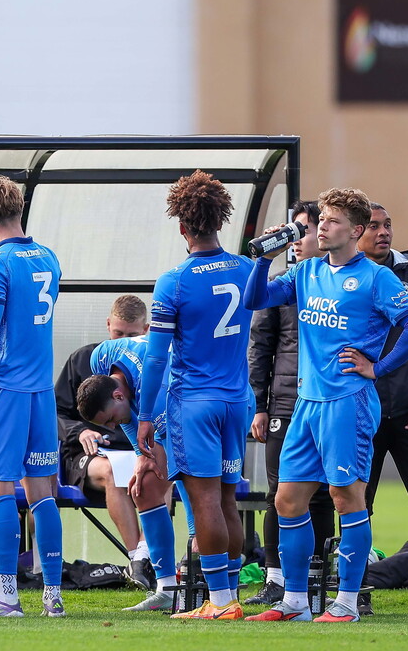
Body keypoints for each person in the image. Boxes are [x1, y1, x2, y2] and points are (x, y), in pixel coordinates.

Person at [244, 187, 408, 622]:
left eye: (331, 221)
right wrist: (261, 260)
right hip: (306, 404)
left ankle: (346, 602)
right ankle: (294, 602)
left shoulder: (376, 278)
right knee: (288, 501)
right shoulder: (306, 272)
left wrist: (378, 367)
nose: (320, 227)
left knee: (347, 498)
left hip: (348, 403)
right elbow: (255, 300)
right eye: (320, 220)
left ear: (355, 230)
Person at [136, 169, 254, 621]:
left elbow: (155, 359)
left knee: (203, 501)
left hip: (195, 403)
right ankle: (230, 596)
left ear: (181, 225)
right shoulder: (246, 269)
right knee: (227, 500)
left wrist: (146, 414)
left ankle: (220, 603)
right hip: (235, 402)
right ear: (220, 220)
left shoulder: (175, 281)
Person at [0, 175, 65, 619]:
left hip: (4, 389)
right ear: (18, 211)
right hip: (42, 391)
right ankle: (53, 598)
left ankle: (7, 598)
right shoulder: (49, 257)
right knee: (43, 493)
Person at [245, 200, 336, 607]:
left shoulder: (337, 284)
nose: (296, 241)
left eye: (304, 231)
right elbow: (259, 347)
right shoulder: (283, 283)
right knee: (278, 491)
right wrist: (259, 405)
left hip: (327, 400)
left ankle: (316, 575)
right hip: (284, 403)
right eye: (293, 232)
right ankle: (275, 576)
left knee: (322, 494)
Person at [76, 338, 181, 613]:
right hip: (176, 401)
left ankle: (218, 589)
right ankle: (166, 589)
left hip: (204, 406)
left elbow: (168, 442)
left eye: (111, 420)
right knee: (144, 487)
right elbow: (134, 420)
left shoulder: (154, 391)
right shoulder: (99, 359)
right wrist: (140, 454)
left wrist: (144, 455)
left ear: (119, 396)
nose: (112, 427)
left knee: (194, 486)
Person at [56, 295, 153, 588]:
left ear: (146, 330)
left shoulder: (152, 364)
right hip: (91, 454)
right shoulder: (84, 358)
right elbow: (55, 412)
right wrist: (79, 431)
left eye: (132, 335)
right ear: (108, 325)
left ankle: (148, 556)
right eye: (118, 333)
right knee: (114, 471)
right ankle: (138, 557)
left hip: (137, 449)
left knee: (155, 470)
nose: (123, 340)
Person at [358, 203, 408, 545]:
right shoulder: (338, 279)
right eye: (374, 226)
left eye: (387, 225)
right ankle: (358, 581)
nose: (383, 232)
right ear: (356, 232)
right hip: (361, 411)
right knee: (355, 502)